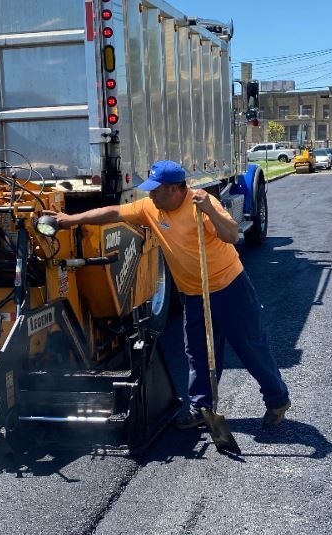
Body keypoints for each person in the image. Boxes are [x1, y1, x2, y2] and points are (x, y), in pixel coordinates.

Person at [52, 160, 291, 429]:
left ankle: (277, 399)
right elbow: (113, 212)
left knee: (250, 347)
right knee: (198, 352)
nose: (150, 195)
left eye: (156, 190)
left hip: (228, 287)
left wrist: (211, 208)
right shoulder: (150, 208)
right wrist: (69, 221)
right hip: (193, 293)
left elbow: (232, 235)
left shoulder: (200, 207)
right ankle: (201, 408)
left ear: (176, 189)